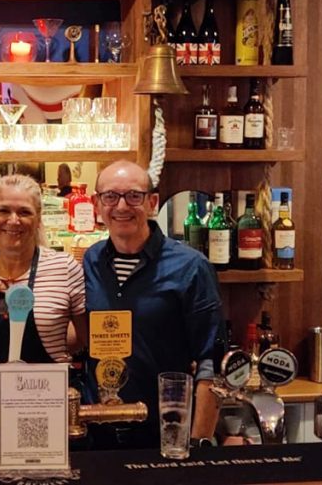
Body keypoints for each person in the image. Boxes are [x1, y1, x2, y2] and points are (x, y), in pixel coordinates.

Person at [83, 160, 221, 449]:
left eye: (134, 195)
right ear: (97, 204)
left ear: (152, 202)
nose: (121, 206)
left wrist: (198, 442)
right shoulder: (90, 261)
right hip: (98, 430)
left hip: (165, 432)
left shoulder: (190, 266)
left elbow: (211, 359)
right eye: (110, 196)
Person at [0, 175, 87, 421]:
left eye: (24, 212)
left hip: (43, 407)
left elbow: (85, 338)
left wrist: (54, 339)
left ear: (38, 217)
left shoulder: (64, 267)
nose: (13, 220)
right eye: (3, 210)